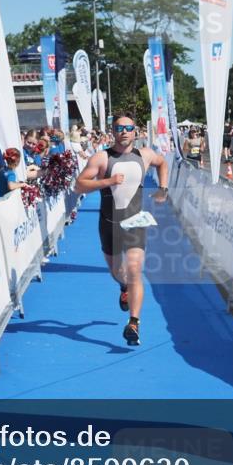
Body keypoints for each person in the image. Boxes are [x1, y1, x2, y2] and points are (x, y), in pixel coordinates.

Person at [74, 113, 169, 346]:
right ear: (113, 131)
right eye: (120, 128)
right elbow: (79, 185)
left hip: (135, 222)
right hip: (109, 224)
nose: (125, 131)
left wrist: (163, 189)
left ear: (135, 131)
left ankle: (134, 323)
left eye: (129, 127)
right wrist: (106, 182)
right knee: (118, 271)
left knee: (135, 269)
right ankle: (123, 286)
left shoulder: (144, 155)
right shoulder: (101, 158)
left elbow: (162, 163)